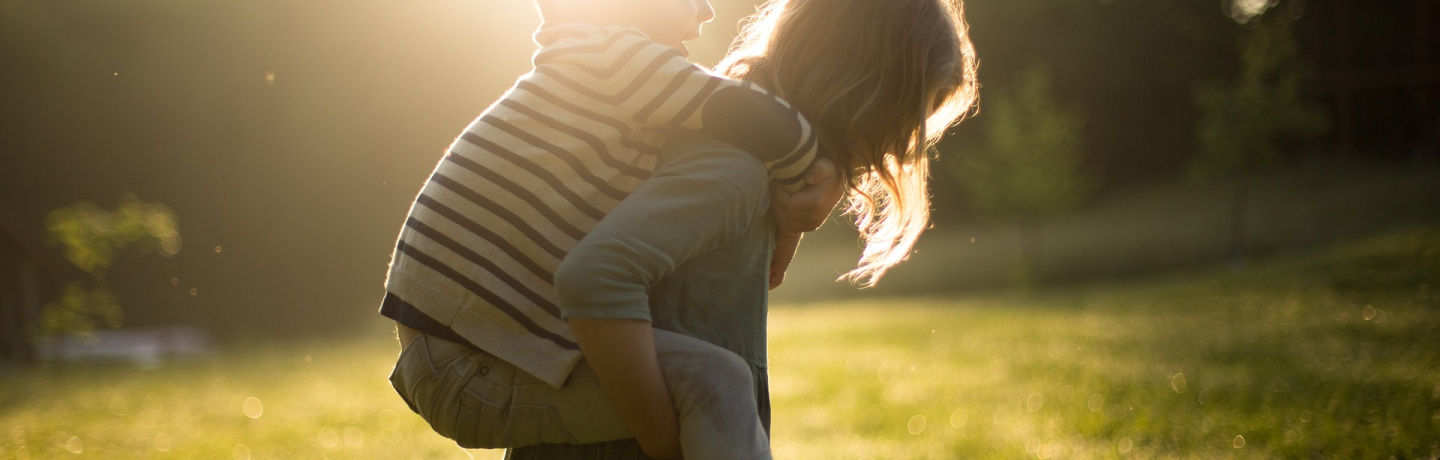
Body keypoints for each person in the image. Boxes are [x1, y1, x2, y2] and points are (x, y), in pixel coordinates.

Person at [391, 0, 980, 457]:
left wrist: (793, 208)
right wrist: (662, 438)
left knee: (715, 385)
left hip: (466, 345)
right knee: (717, 383)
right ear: (871, 87)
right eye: (914, 110)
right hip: (466, 364)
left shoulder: (627, 82)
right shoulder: (623, 68)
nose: (707, 12)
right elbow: (595, 276)